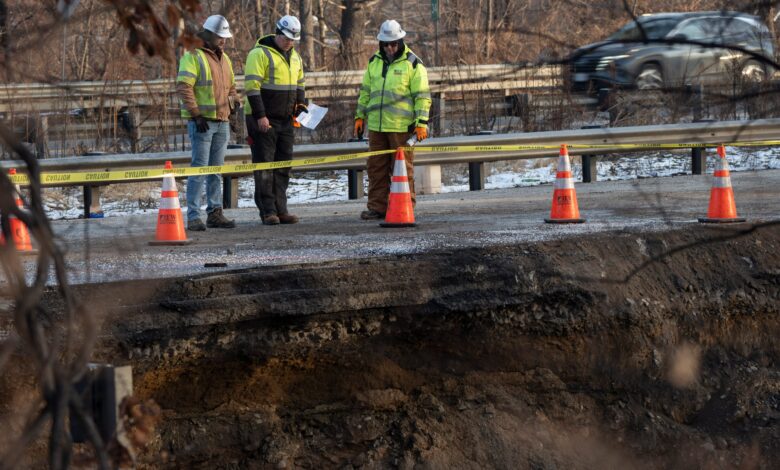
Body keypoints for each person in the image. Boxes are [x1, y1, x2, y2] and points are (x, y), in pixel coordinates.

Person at [354, 19, 431, 220]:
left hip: (401, 128)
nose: (390, 47)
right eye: (386, 44)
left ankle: (406, 206)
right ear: (381, 43)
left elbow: (422, 96)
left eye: (394, 43)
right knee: (376, 168)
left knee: (403, 170)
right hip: (377, 127)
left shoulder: (412, 63)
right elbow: (366, 92)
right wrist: (359, 116)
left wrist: (421, 122)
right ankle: (377, 208)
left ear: (401, 41)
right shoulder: (374, 62)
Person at [244, 15, 307, 225]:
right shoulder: (259, 54)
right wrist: (261, 116)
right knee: (264, 166)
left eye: (293, 39)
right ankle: (267, 211)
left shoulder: (295, 57)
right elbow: (252, 88)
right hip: (263, 119)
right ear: (277, 32)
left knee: (282, 165)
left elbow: (300, 84)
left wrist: (301, 104)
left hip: (286, 119)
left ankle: (281, 209)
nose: (289, 42)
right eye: (287, 38)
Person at [177, 14, 237, 231]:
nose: (223, 40)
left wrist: (234, 103)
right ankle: (193, 216)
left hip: (221, 122)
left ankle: (215, 213)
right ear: (209, 34)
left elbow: (231, 87)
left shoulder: (225, 59)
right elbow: (184, 86)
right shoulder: (193, 56)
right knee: (199, 169)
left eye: (225, 37)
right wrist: (196, 114)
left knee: (215, 170)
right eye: (220, 36)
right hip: (202, 123)